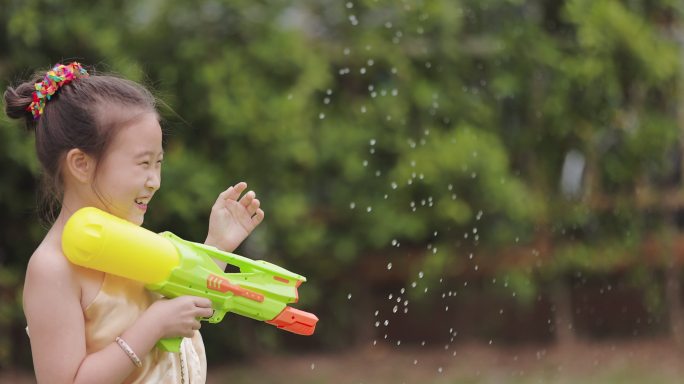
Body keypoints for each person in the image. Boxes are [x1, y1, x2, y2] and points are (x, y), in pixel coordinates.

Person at [3, 62, 265, 384]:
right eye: (143, 163)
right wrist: (152, 326)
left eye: (158, 163)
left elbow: (187, 304)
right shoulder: (52, 268)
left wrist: (217, 245)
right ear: (81, 164)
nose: (155, 181)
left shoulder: (134, 239)